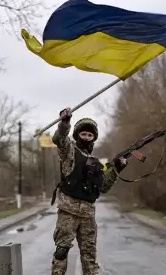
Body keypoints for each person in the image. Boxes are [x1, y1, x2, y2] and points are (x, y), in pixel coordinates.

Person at [50, 107, 128, 275]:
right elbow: (59, 139)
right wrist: (64, 123)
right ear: (77, 135)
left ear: (94, 138)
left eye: (89, 135)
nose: (86, 137)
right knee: (61, 252)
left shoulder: (97, 164)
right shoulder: (69, 151)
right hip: (68, 212)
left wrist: (117, 169)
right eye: (83, 134)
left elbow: (104, 187)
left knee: (90, 256)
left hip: (88, 215)